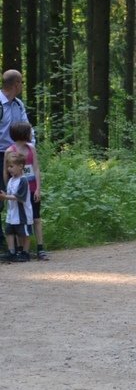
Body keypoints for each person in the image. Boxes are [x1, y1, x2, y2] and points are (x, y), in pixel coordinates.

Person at [5, 122, 49, 260]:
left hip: (32, 188)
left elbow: (36, 168)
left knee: (36, 218)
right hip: (17, 191)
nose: (32, 134)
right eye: (30, 132)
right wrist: (8, 190)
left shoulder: (31, 148)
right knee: (19, 219)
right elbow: (6, 172)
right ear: (23, 133)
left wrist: (38, 188)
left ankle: (40, 248)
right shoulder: (10, 151)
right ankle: (20, 250)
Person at [0, 70, 32, 250]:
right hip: (0, 154)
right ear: (16, 84)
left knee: (13, 192)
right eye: (21, 82)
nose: (22, 86)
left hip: (15, 155)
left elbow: (27, 129)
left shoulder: (18, 105)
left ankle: (14, 243)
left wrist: (29, 149)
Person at [0, 150, 34, 263]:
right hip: (12, 214)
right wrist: (4, 195)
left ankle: (25, 253)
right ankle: (12, 252)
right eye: (8, 166)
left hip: (22, 214)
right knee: (9, 231)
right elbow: (10, 194)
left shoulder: (23, 180)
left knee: (24, 233)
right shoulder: (11, 180)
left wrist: (5, 197)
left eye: (11, 166)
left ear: (20, 166)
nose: (9, 169)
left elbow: (19, 197)